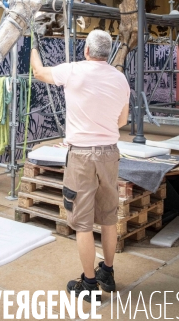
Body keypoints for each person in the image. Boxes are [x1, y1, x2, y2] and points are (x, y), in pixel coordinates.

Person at [31, 29, 130, 303]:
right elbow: (121, 122)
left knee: (83, 222)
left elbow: (39, 73)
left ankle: (88, 285)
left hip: (82, 156)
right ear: (107, 53)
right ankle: (107, 273)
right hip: (110, 154)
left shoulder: (73, 70)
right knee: (109, 216)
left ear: (86, 50)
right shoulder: (121, 79)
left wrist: (33, 46)